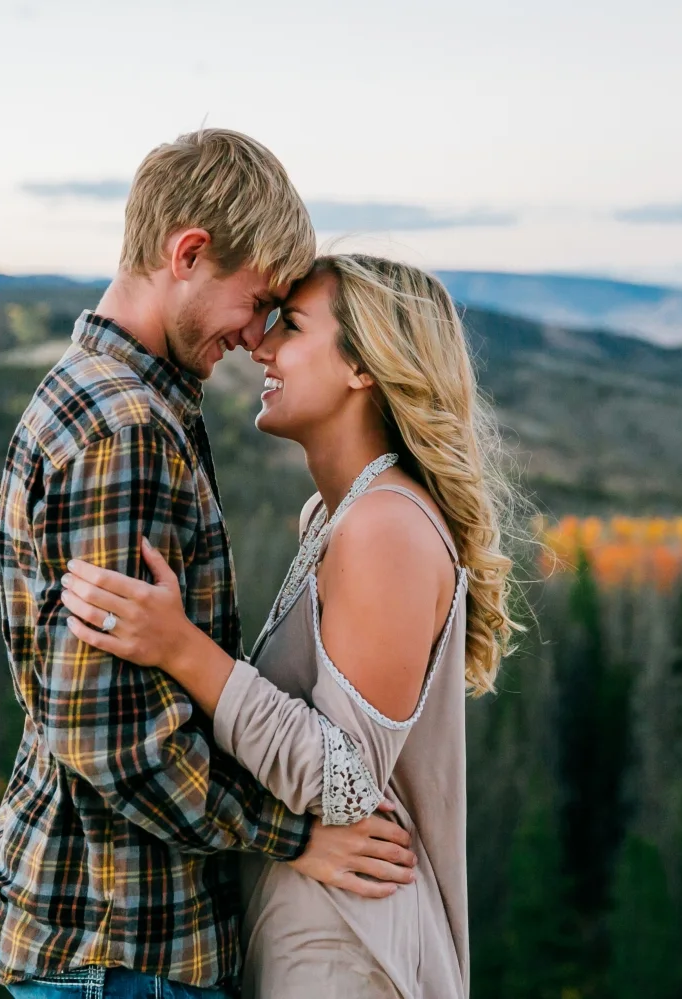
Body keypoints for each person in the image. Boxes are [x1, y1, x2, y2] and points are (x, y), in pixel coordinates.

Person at [0, 131, 419, 999]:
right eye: (256, 302)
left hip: (112, 945)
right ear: (187, 254)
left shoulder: (109, 396)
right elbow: (116, 744)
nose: (255, 337)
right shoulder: (125, 430)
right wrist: (295, 835)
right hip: (124, 943)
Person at [60, 254, 521, 998]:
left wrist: (180, 648)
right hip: (313, 933)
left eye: (293, 327)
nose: (261, 345)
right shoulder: (338, 516)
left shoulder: (383, 526)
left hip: (349, 952)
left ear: (364, 367)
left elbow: (347, 780)